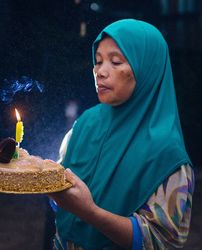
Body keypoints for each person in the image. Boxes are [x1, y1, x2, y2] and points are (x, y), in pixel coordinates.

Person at [49, 19, 195, 250]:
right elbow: (61, 201)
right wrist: (41, 176)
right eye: (98, 62)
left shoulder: (166, 154)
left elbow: (161, 241)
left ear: (147, 68)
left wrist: (90, 212)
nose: (100, 72)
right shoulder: (85, 124)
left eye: (115, 62)